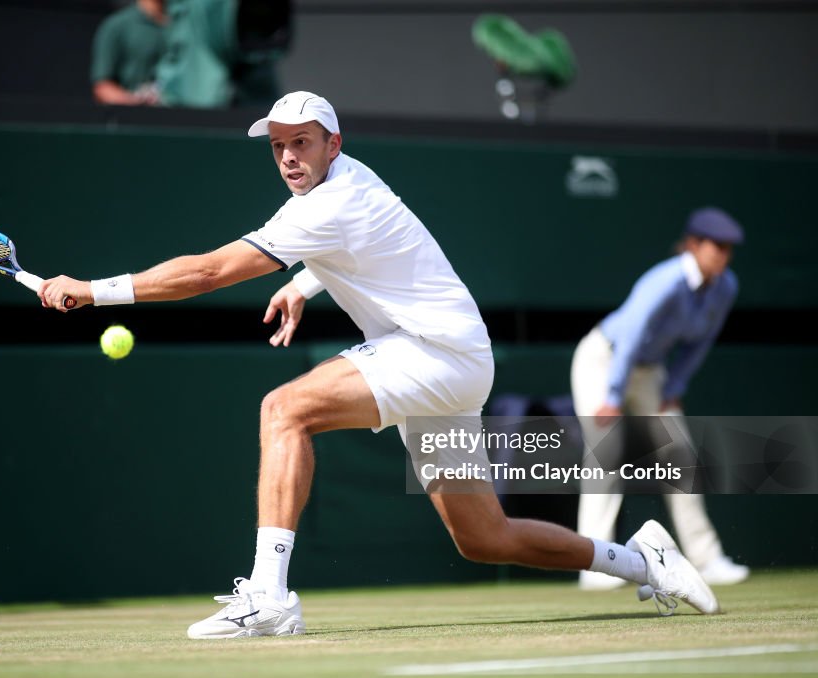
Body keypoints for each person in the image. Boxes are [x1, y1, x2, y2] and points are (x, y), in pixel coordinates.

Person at [38, 91, 721, 638]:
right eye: (277, 146)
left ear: (333, 143)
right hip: (454, 358)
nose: (287, 157)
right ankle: (644, 559)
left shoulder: (331, 201)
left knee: (284, 409)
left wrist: (93, 290)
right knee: (485, 536)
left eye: (301, 142)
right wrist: (304, 283)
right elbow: (363, 250)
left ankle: (270, 596)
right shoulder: (346, 184)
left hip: (434, 353)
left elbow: (212, 271)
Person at [571, 207, 750, 591]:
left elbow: (699, 344)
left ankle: (707, 558)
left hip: (651, 373)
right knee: (605, 454)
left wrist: (673, 390)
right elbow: (633, 333)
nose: (722, 254)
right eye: (716, 245)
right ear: (693, 245)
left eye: (728, 248)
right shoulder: (666, 280)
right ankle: (595, 567)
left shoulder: (726, 286)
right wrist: (614, 394)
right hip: (605, 360)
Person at [90, 0, 169, 106]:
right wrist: (137, 103)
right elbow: (103, 87)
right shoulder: (117, 26)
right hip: (137, 116)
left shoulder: (185, 25)